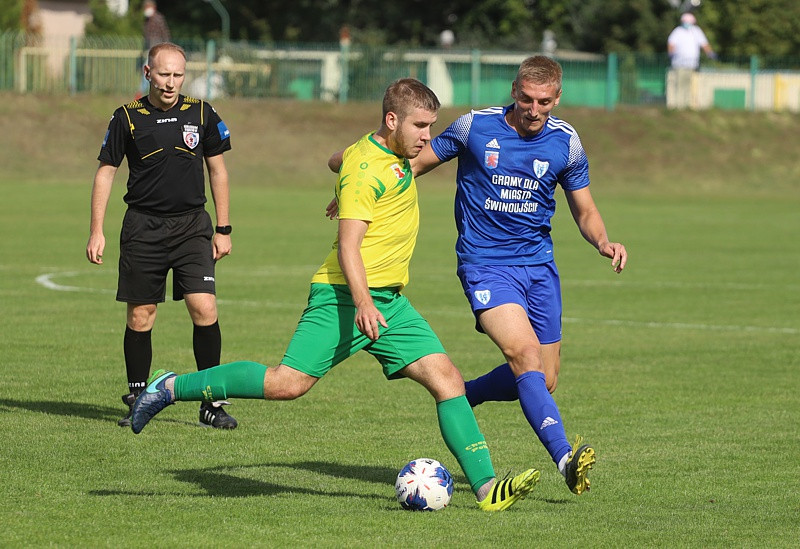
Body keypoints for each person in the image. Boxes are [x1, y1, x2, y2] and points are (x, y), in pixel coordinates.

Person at [129, 78, 541, 512]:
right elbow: (348, 247)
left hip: (390, 302)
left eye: (431, 126)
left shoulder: (381, 152)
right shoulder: (367, 170)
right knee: (287, 384)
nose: (427, 137)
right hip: (344, 296)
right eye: (420, 126)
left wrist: (341, 186)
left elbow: (336, 158)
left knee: (448, 380)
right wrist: (362, 299)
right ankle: (170, 387)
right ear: (392, 120)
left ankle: (487, 489)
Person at [328, 56, 626, 496]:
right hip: (484, 264)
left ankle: (463, 396)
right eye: (526, 98)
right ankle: (566, 457)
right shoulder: (475, 127)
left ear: (557, 98)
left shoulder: (567, 143)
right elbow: (408, 162)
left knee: (544, 378)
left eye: (544, 101)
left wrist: (603, 241)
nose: (534, 109)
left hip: (539, 267)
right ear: (514, 90)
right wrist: (352, 180)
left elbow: (585, 209)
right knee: (524, 353)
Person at [86, 42, 237, 430]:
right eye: (164, 74)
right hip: (143, 228)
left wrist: (223, 228)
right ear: (147, 72)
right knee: (141, 315)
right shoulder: (126, 117)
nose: (170, 82)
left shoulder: (202, 113)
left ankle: (211, 403)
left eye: (178, 75)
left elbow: (218, 171)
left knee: (204, 308)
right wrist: (96, 230)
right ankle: (138, 398)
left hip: (192, 227)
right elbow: (106, 172)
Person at [666, 12, 717, 108]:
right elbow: (671, 43)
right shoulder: (678, 31)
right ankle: (679, 106)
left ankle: (689, 106)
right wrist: (671, 53)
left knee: (691, 86)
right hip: (679, 64)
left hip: (693, 64)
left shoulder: (696, 31)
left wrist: (710, 53)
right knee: (680, 85)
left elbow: (704, 43)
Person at [138, 1, 171, 98]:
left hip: (158, 49)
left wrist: (166, 48)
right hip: (150, 49)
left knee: (149, 69)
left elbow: (165, 34)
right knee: (149, 70)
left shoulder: (158, 19)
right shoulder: (147, 20)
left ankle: (141, 92)